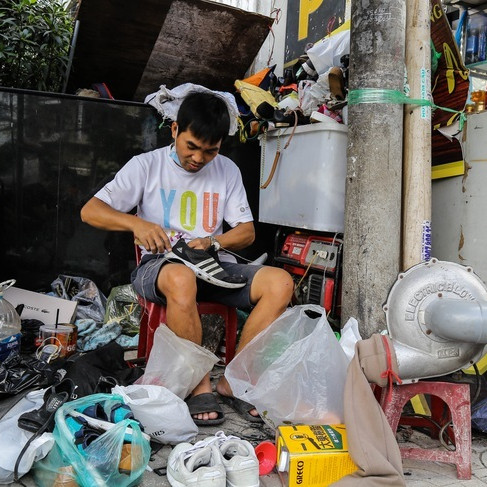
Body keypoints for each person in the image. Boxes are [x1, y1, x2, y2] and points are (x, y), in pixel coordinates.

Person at [80, 91, 294, 425]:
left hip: (212, 265)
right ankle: (199, 386)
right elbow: (90, 211)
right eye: (191, 146)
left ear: (221, 144)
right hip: (160, 267)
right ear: (175, 130)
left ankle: (232, 383)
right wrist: (136, 222)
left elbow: (247, 232)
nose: (198, 158)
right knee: (181, 277)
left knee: (280, 282)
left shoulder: (227, 170)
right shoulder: (146, 166)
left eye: (210, 150)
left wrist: (213, 241)